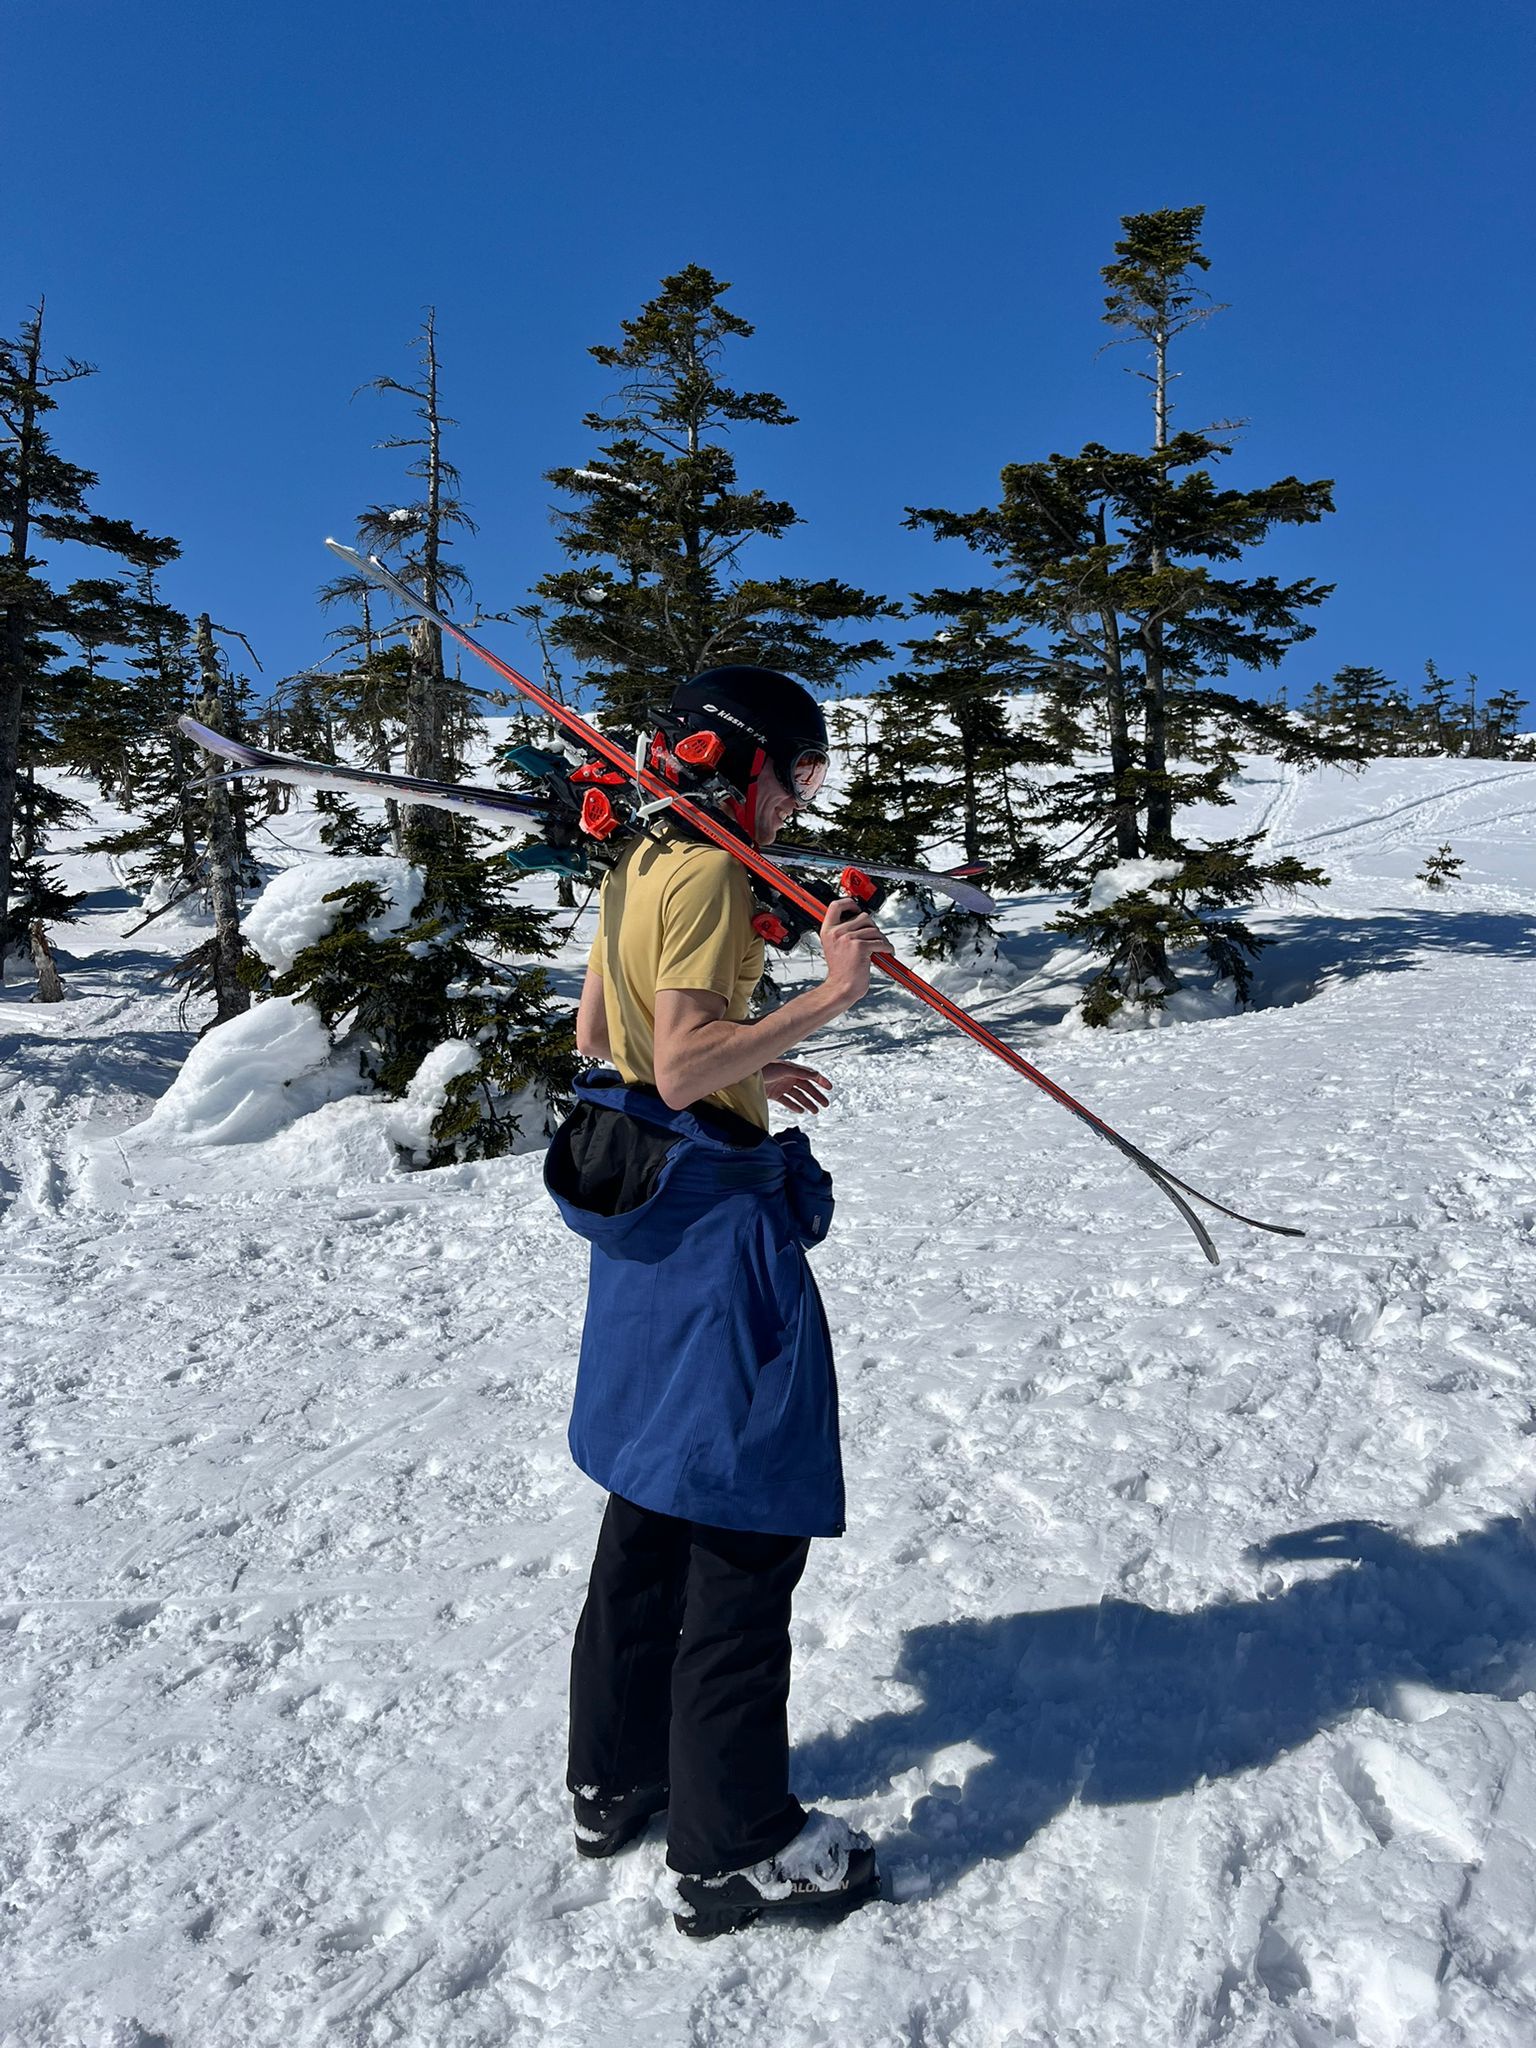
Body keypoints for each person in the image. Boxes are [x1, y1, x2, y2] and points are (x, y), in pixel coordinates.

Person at [543, 665, 887, 1938]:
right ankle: (734, 1844)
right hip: (712, 1237)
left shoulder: (641, 859)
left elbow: (608, 1032)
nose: (801, 801)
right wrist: (830, 995)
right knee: (744, 1510)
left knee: (653, 1496)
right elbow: (685, 1062)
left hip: (645, 1214)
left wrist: (754, 1055)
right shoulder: (705, 875)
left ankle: (615, 1775)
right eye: (798, 773)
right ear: (743, 763)